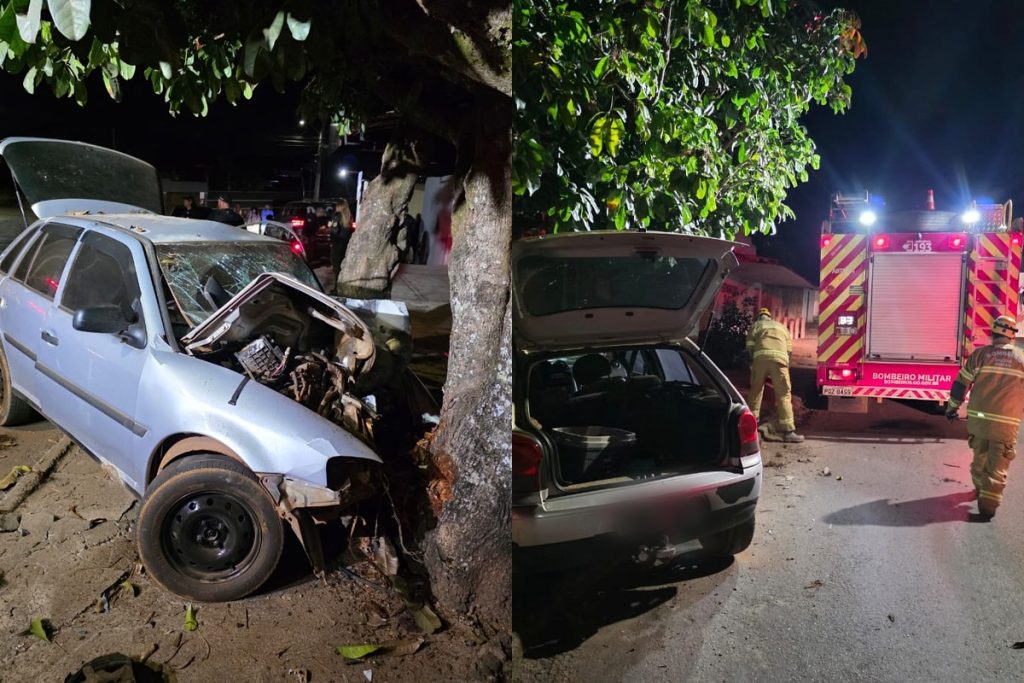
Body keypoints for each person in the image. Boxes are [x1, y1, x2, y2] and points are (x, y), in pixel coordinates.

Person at [945, 315, 1024, 518]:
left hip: (978, 419)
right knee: (998, 463)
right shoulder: (1021, 359)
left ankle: (980, 489)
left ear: (993, 333)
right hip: (1006, 423)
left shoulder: (980, 355)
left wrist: (952, 408)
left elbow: (961, 383)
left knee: (979, 457)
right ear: (1012, 336)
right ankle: (988, 506)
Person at [746, 308, 804, 443]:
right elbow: (789, 350)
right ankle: (789, 432)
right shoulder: (781, 327)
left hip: (760, 360)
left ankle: (751, 429)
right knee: (784, 395)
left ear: (759, 317)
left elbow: (749, 348)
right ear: (769, 316)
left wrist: (753, 365)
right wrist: (784, 366)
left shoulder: (755, 326)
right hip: (780, 361)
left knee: (755, 392)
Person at [329, 199, 354, 283]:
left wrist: (331, 226)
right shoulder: (349, 216)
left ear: (339, 206)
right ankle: (339, 284)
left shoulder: (337, 216)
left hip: (337, 243)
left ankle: (336, 288)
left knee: (336, 266)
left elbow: (335, 230)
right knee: (342, 265)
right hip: (345, 243)